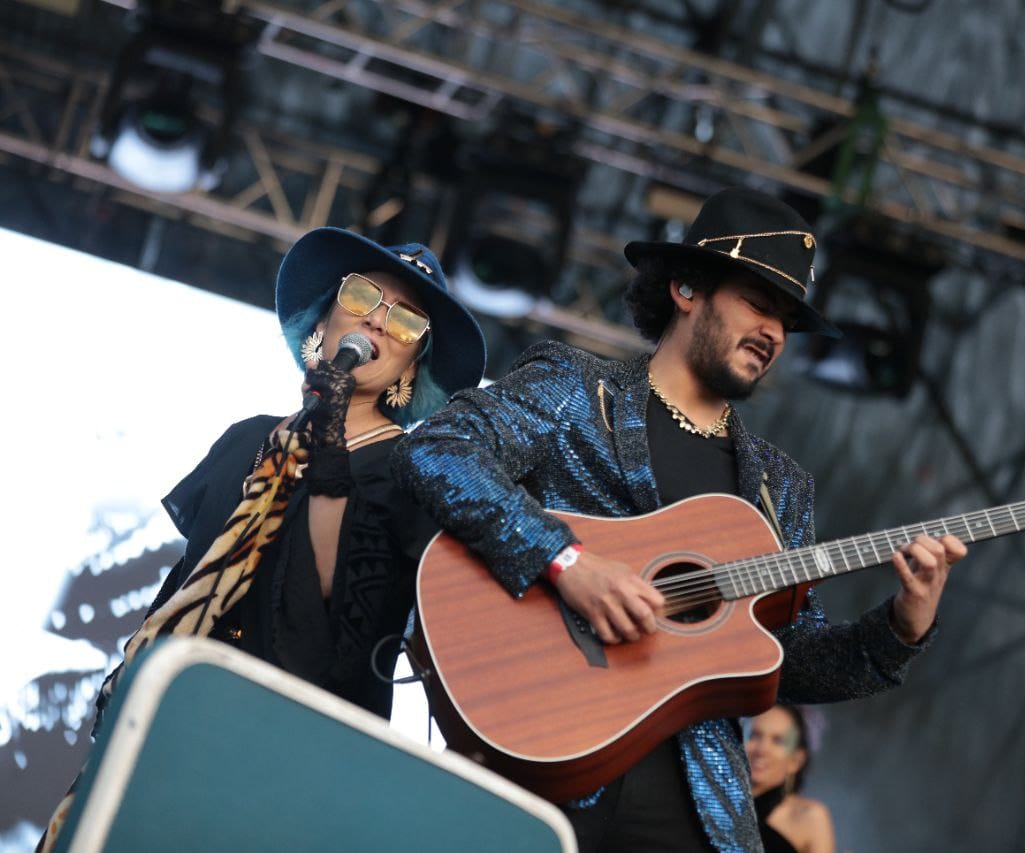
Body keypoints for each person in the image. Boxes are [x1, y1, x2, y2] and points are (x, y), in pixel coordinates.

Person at [391, 186, 966, 852]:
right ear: (687, 286)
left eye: (787, 320)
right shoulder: (575, 390)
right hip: (538, 763)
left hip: (693, 812)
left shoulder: (782, 489)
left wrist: (901, 627)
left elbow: (789, 662)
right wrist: (567, 561)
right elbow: (438, 449)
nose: (775, 334)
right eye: (759, 302)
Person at [40, 227, 485, 850]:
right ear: (326, 317)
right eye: (362, 298)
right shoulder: (248, 436)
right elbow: (189, 582)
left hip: (291, 755)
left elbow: (342, 617)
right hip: (173, 720)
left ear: (412, 366)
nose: (380, 324)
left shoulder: (414, 470)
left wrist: (328, 452)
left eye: (407, 322)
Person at [746, 704, 836, 853]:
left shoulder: (809, 817)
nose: (761, 749)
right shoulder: (713, 801)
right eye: (754, 735)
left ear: (796, 760)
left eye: (778, 741)